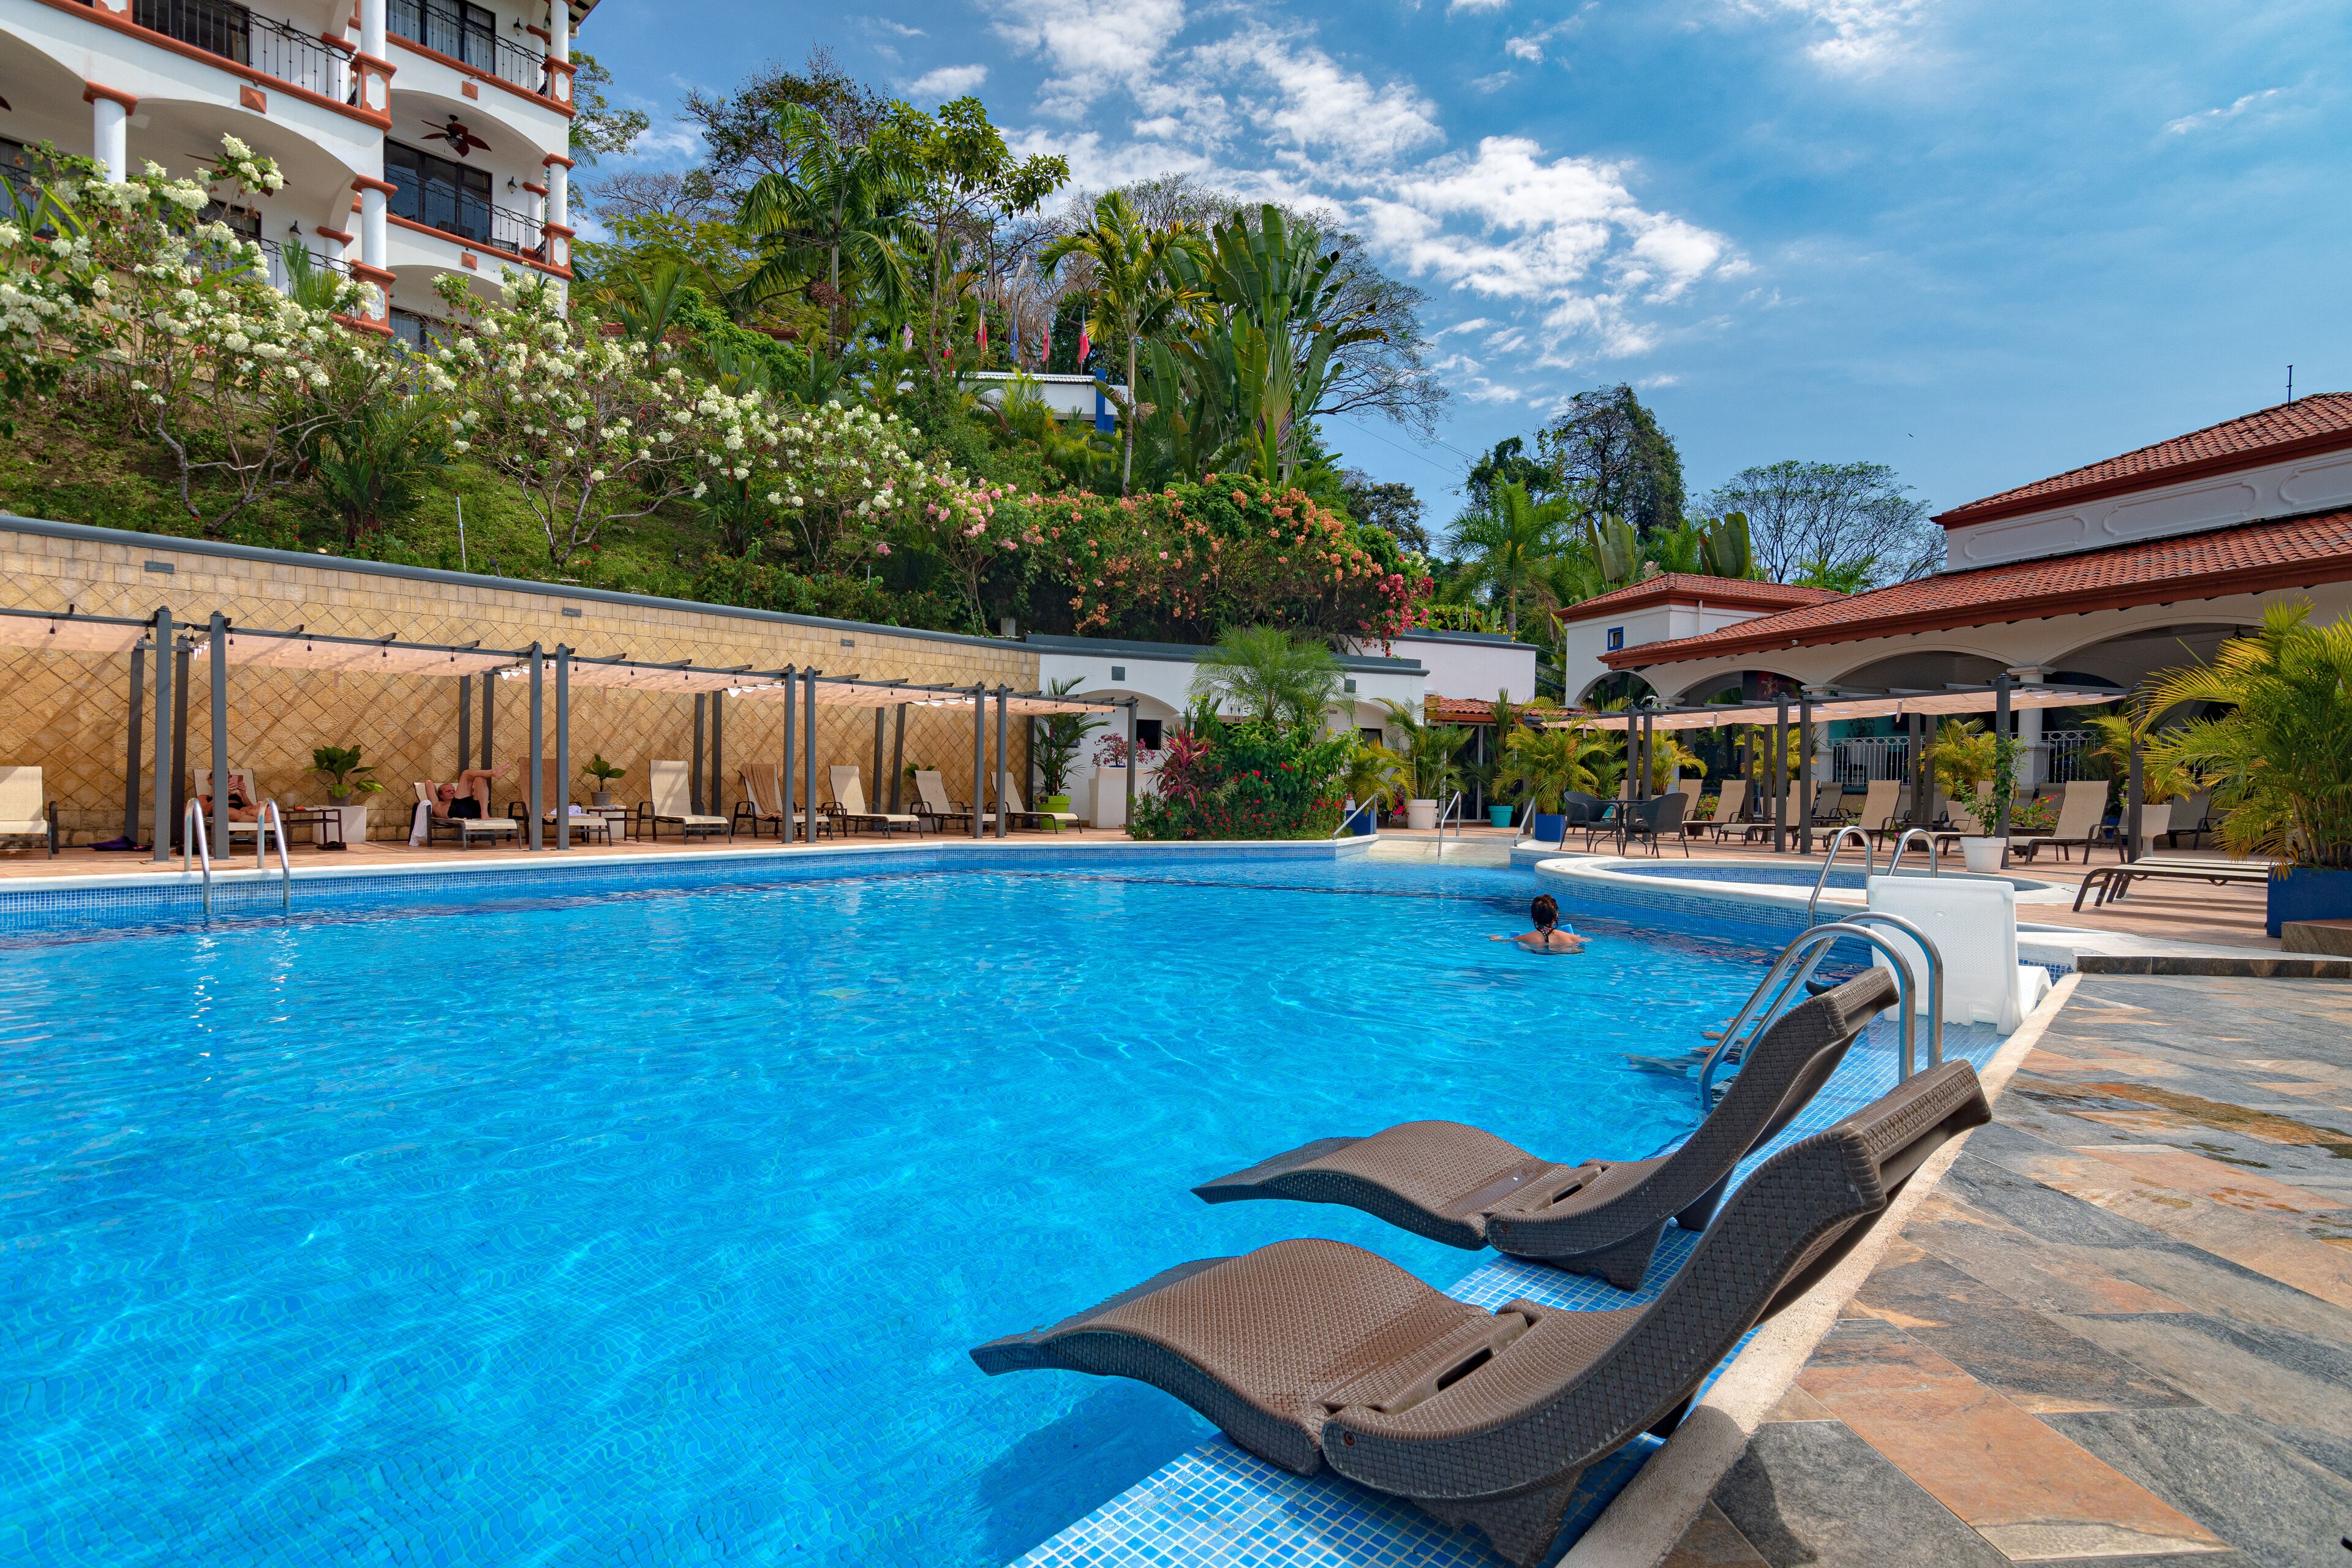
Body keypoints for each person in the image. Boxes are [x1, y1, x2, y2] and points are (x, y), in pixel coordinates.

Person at [1492, 893, 1585, 954]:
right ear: (1556, 916)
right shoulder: (1573, 938)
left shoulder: (1521, 938)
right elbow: (1585, 942)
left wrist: (1494, 938)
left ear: (1534, 917)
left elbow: (1502, 941)